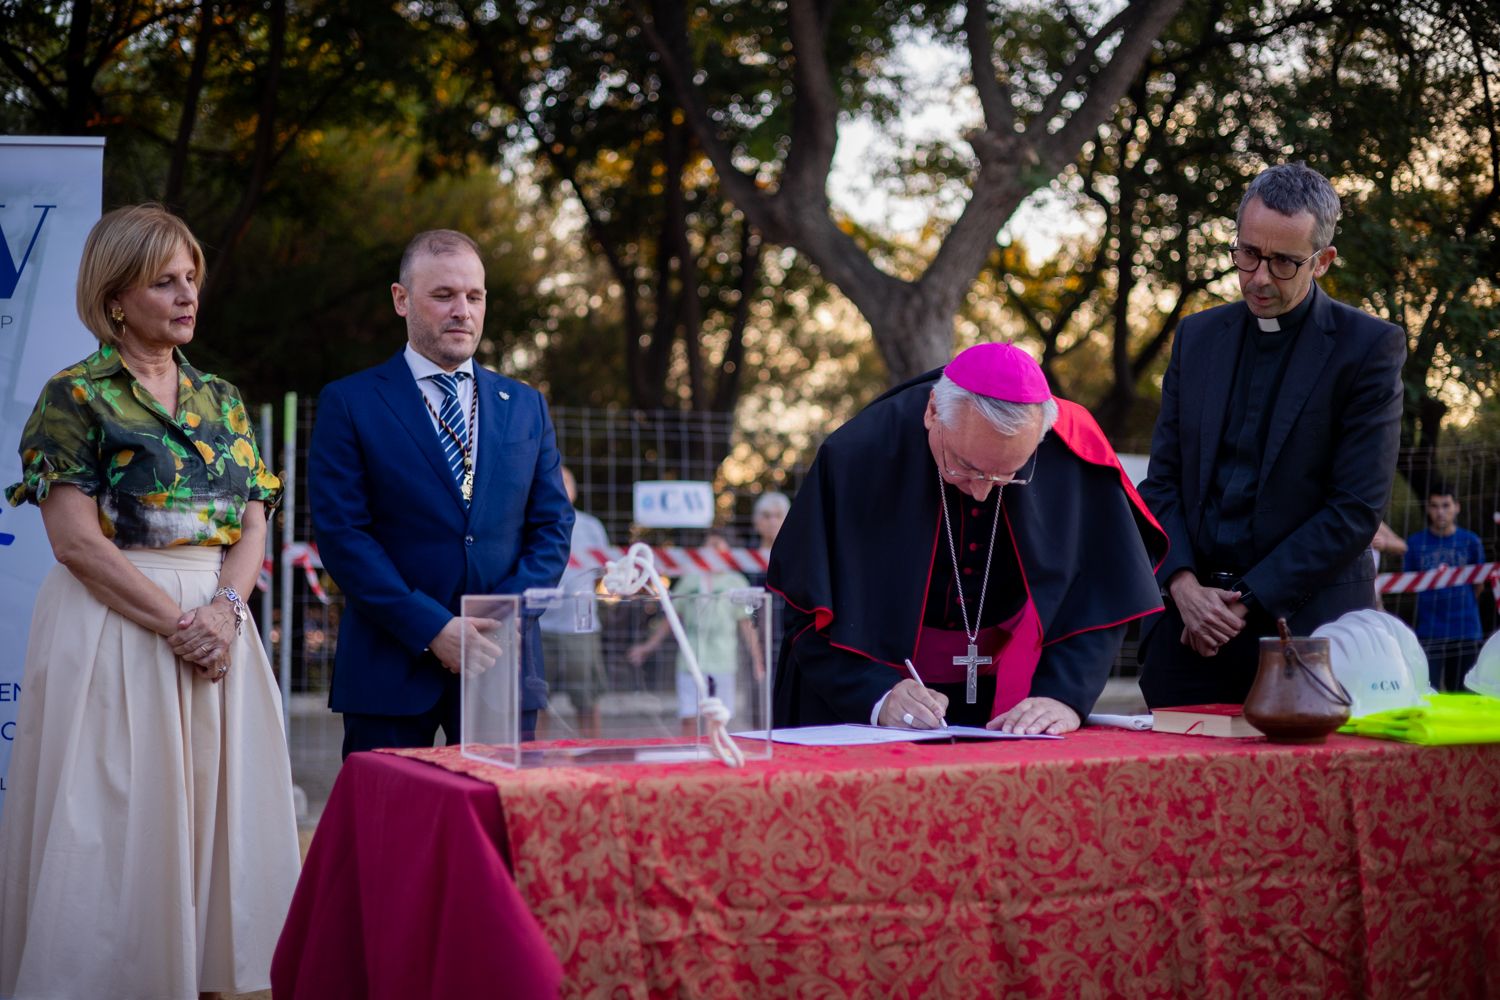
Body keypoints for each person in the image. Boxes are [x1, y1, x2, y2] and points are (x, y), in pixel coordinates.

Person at [0, 204, 300, 999]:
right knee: (112, 821)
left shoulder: (223, 399)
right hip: (116, 628)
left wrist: (224, 616)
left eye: (192, 278)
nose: (185, 294)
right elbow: (74, 542)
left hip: (219, 629)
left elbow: (253, 525)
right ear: (115, 297)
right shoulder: (73, 396)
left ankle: (201, 976)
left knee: (210, 818)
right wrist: (179, 624)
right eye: (163, 280)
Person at [768, 342, 1166, 735]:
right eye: (965, 466)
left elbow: (1105, 588)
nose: (982, 491)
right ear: (932, 413)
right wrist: (876, 694)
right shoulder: (858, 455)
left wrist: (1063, 694)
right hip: (866, 703)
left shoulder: (1067, 449)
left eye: (1008, 475)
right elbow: (805, 608)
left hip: (1008, 699)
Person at [1137, 162, 1405, 708]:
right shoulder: (1196, 337)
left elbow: (1353, 509)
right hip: (1187, 635)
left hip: (1308, 640)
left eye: (1283, 261)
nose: (1259, 277)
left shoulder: (1369, 349)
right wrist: (1183, 585)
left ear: (1323, 261)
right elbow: (1161, 481)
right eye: (1248, 253)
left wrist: (1245, 600)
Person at [308, 229, 573, 758]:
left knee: (496, 836)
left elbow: (552, 526)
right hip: (389, 666)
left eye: (474, 297)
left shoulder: (525, 405)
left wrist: (499, 619)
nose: (462, 311)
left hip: (501, 666)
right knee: (390, 836)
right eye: (444, 295)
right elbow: (343, 535)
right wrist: (432, 628)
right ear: (401, 299)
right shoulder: (350, 402)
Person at [627, 528, 765, 738]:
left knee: (720, 716)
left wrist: (757, 660)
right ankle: (691, 757)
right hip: (690, 659)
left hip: (722, 658)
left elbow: (746, 625)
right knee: (689, 714)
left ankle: (718, 753)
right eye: (708, 546)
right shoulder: (690, 579)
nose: (712, 551)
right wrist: (648, 647)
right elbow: (672, 618)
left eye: (717, 546)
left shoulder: (736, 582)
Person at [538, 466, 611, 737]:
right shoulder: (534, 521)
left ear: (575, 490)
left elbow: (601, 573)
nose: (560, 485)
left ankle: (592, 753)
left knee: (587, 700)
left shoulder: (591, 527)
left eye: (566, 480)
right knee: (538, 701)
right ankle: (534, 759)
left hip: (581, 628)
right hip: (542, 627)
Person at [1404, 486, 1487, 690]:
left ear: (1456, 507)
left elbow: (1479, 585)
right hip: (1429, 630)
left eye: (1446, 505)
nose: (1440, 511)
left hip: (1465, 629)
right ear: (1428, 509)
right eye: (1434, 506)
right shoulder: (1415, 543)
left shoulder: (1471, 542)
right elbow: (1408, 585)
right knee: (1427, 689)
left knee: (1463, 692)